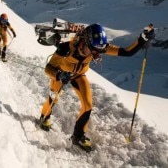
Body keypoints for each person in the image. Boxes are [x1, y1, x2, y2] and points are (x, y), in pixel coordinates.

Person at [39, 23, 155, 151]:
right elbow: (48, 69)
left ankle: (78, 137)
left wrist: (142, 39)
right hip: (61, 73)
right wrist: (59, 75)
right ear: (84, 42)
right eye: (94, 50)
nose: (97, 53)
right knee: (53, 98)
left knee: (87, 105)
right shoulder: (66, 48)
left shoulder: (98, 46)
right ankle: (44, 117)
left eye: (99, 50)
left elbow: (127, 52)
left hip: (78, 75)